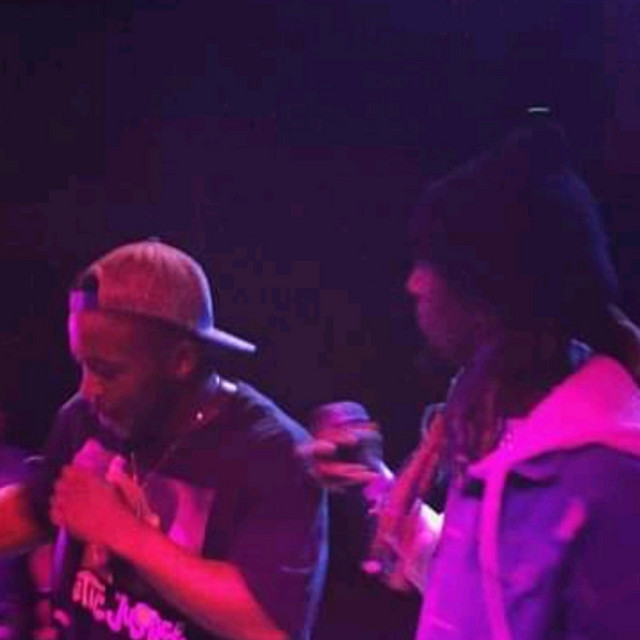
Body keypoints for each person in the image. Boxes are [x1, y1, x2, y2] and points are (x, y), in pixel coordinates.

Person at [303, 118, 640, 639]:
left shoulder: (609, 476)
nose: (413, 285)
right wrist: (372, 483)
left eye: (431, 263)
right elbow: (483, 596)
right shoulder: (499, 421)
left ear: (491, 292)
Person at [0, 239, 327, 640]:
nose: (87, 389)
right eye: (82, 365)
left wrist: (122, 531)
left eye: (106, 371)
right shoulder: (86, 418)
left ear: (181, 361)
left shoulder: (272, 455)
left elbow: (269, 628)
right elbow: (36, 509)